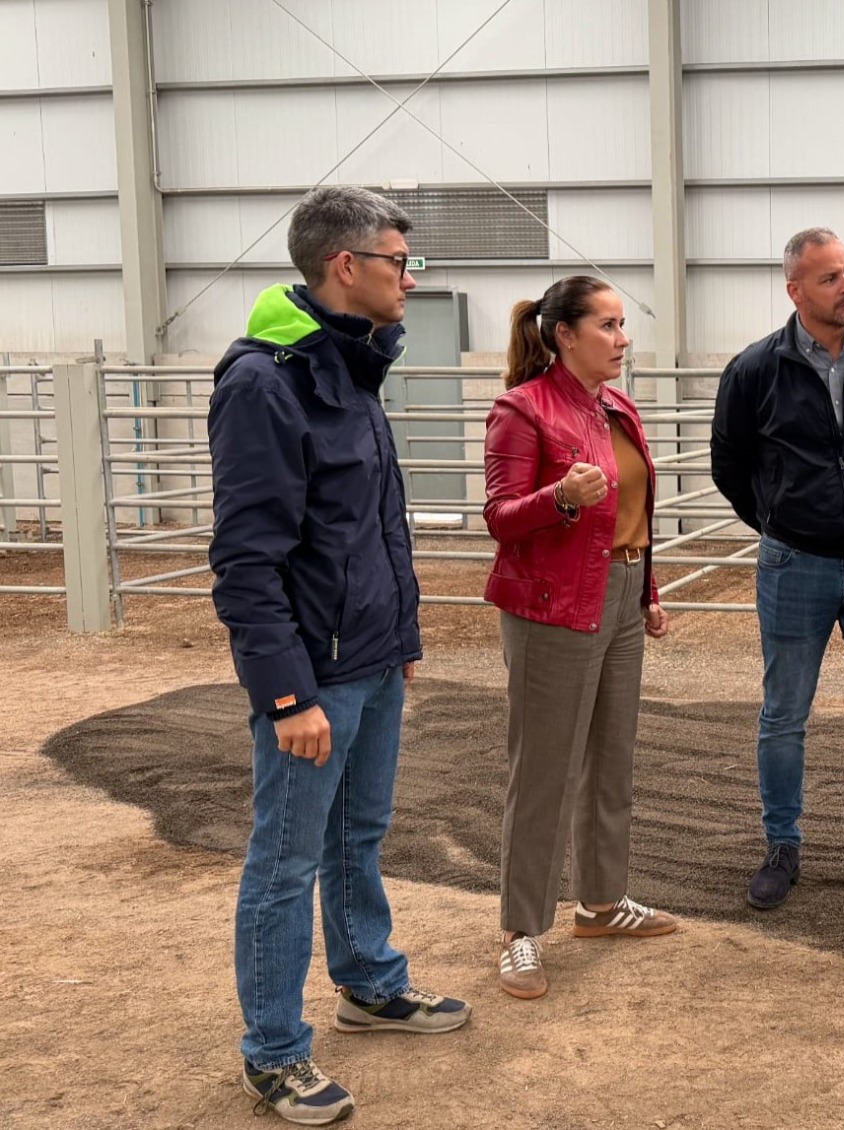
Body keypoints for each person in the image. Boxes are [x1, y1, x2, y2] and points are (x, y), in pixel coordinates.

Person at [209, 185, 471, 1126]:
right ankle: (275, 1052)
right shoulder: (265, 382)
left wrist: (399, 637)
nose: (411, 278)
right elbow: (247, 561)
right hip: (313, 677)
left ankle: (369, 981)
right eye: (400, 261)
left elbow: (367, 524)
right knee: (284, 863)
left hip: (369, 656)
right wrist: (287, 696)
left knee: (357, 835)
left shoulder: (349, 365)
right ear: (345, 266)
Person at [710, 227, 844, 910]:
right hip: (794, 563)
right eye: (830, 277)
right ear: (795, 290)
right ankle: (782, 845)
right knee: (784, 714)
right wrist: (782, 522)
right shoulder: (754, 370)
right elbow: (729, 466)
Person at [483, 275, 678, 1002]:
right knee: (544, 772)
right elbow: (500, 516)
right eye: (607, 325)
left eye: (623, 325)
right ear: (564, 334)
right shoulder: (522, 409)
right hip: (551, 607)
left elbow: (635, 513)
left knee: (611, 761)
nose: (622, 339)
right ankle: (521, 929)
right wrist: (560, 497)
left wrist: (646, 592)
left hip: (619, 596)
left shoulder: (618, 408)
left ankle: (600, 902)